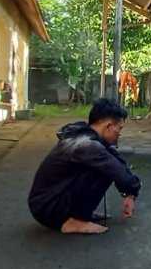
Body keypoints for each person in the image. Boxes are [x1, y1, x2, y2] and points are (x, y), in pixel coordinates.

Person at [28, 98, 141, 235]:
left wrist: (129, 194)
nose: (120, 133)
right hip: (47, 209)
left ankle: (80, 215)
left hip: (49, 203)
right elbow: (116, 169)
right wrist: (131, 190)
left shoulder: (88, 136)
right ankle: (73, 221)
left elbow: (118, 162)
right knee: (104, 168)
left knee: (107, 164)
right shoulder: (86, 145)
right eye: (120, 128)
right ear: (109, 126)